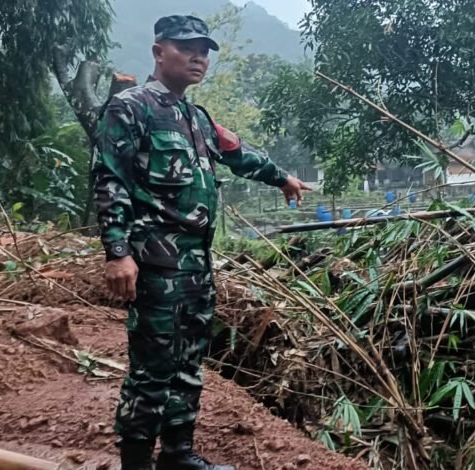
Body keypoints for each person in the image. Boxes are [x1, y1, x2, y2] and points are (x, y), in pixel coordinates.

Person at [91, 14, 311, 470]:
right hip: (153, 264)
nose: (199, 57)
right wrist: (118, 251)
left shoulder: (196, 118)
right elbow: (109, 178)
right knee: (152, 370)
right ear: (158, 51)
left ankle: (178, 456)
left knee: (189, 365)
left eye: (205, 50)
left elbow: (238, 153)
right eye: (187, 47)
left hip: (196, 265)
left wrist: (282, 177)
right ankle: (135, 463)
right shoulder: (130, 107)